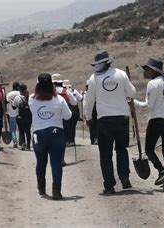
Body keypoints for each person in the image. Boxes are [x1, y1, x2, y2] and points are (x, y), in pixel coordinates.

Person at [84, 51, 136, 194]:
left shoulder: (94, 78)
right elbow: (132, 94)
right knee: (121, 149)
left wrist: (88, 117)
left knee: (105, 154)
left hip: (105, 119)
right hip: (122, 118)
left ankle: (109, 185)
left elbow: (89, 101)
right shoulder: (121, 74)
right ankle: (124, 177)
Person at [134, 59, 164, 191]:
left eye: (147, 69)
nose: (146, 72)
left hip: (156, 120)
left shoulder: (153, 84)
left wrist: (134, 102)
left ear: (153, 70)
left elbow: (148, 105)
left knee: (149, 149)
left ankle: (162, 171)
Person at [29, 73, 72, 200]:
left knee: (41, 162)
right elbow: (68, 116)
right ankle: (56, 191)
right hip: (56, 133)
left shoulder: (32, 99)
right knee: (56, 163)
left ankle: (42, 189)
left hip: (39, 134)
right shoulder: (59, 99)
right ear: (51, 85)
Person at [54, 80, 77, 146]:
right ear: (62, 83)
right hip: (64, 112)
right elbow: (74, 102)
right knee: (67, 127)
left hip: (55, 114)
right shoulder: (65, 91)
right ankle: (67, 141)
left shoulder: (51, 91)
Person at [13, 83, 32, 151]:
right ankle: (28, 146)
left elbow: (14, 107)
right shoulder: (30, 97)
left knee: (21, 131)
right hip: (29, 117)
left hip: (20, 117)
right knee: (28, 131)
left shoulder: (17, 97)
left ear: (20, 90)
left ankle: (23, 144)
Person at [64, 80, 83, 146]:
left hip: (67, 111)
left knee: (66, 127)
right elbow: (81, 99)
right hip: (75, 111)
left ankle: (67, 141)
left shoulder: (64, 92)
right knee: (73, 127)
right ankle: (72, 141)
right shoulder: (74, 91)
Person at [6, 82, 21, 148]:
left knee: (13, 129)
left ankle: (15, 141)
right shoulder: (20, 93)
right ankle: (21, 141)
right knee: (20, 128)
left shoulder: (9, 94)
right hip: (19, 113)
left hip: (11, 113)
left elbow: (6, 102)